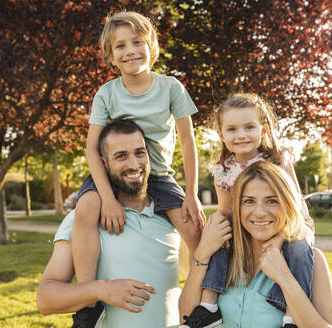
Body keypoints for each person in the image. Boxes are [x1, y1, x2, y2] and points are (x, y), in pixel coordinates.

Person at [71, 11, 204, 327]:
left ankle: (204, 302)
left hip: (157, 175)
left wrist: (192, 193)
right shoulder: (106, 93)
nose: (130, 51)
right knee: (85, 207)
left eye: (137, 42)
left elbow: (188, 143)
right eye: (120, 46)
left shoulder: (171, 87)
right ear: (110, 56)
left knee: (193, 229)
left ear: (152, 45)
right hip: (115, 174)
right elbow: (92, 148)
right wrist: (108, 198)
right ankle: (89, 303)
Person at [181, 93, 315, 327]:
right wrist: (214, 234)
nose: (241, 135)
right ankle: (209, 305)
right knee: (220, 236)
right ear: (221, 135)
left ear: (263, 128)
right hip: (242, 231)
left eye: (249, 127)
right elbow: (224, 210)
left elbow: (298, 210)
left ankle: (291, 316)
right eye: (232, 129)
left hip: (291, 228)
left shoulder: (278, 161)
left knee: (300, 248)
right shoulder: (223, 171)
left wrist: (282, 237)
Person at [37, 119, 181, 327]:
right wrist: (101, 289)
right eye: (121, 156)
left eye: (139, 153)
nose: (134, 164)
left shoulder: (172, 216)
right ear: (104, 163)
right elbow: (46, 299)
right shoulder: (83, 219)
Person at [179, 161, 332, 328]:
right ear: (238, 207)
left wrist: (285, 279)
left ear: (288, 205)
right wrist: (202, 253)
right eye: (249, 201)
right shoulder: (223, 255)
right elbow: (185, 318)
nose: (260, 212)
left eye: (272, 201)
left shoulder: (310, 261)